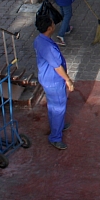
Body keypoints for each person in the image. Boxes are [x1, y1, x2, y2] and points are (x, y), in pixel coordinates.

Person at [34, 10, 73, 150]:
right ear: (49, 28)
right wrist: (67, 80)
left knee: (53, 105)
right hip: (54, 80)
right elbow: (57, 67)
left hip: (46, 78)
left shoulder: (39, 39)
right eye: (52, 23)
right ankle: (55, 137)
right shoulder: (49, 47)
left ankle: (59, 125)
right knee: (58, 107)